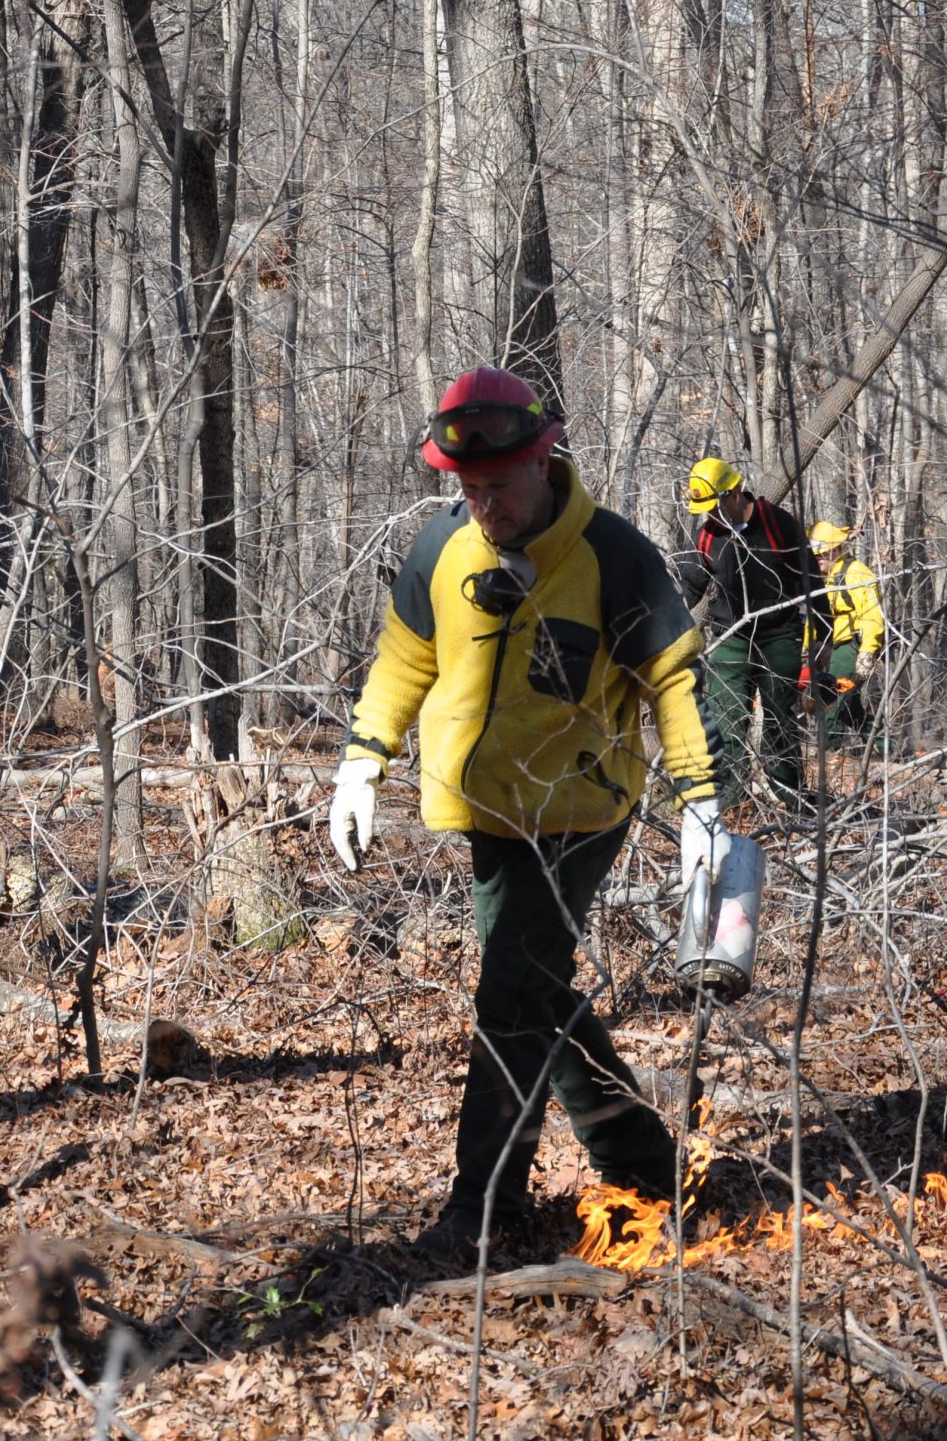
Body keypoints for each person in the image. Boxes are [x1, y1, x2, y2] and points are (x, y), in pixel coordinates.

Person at [330, 368, 724, 1261]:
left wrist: (700, 805)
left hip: (582, 809)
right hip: (484, 809)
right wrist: (362, 761)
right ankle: (648, 1170)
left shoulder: (615, 558)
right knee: (538, 995)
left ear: (545, 461)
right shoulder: (442, 549)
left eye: (497, 487)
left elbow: (673, 685)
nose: (482, 506)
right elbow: (403, 659)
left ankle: (484, 1205)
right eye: (466, 489)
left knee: (510, 994)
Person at [676, 456, 820, 804]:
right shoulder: (707, 536)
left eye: (714, 505)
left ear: (736, 493)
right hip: (730, 640)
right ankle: (730, 802)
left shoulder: (777, 523)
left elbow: (812, 578)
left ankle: (791, 797)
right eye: (704, 508)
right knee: (727, 720)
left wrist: (822, 635)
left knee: (779, 722)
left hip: (779, 637)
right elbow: (691, 588)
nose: (709, 514)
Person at [806, 521, 885, 748]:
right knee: (849, 708)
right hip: (831, 648)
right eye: (815, 554)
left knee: (831, 699)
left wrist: (867, 652)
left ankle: (830, 755)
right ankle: (890, 748)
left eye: (822, 554)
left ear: (836, 550)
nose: (818, 558)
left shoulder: (856, 572)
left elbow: (872, 615)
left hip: (852, 646)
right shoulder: (823, 578)